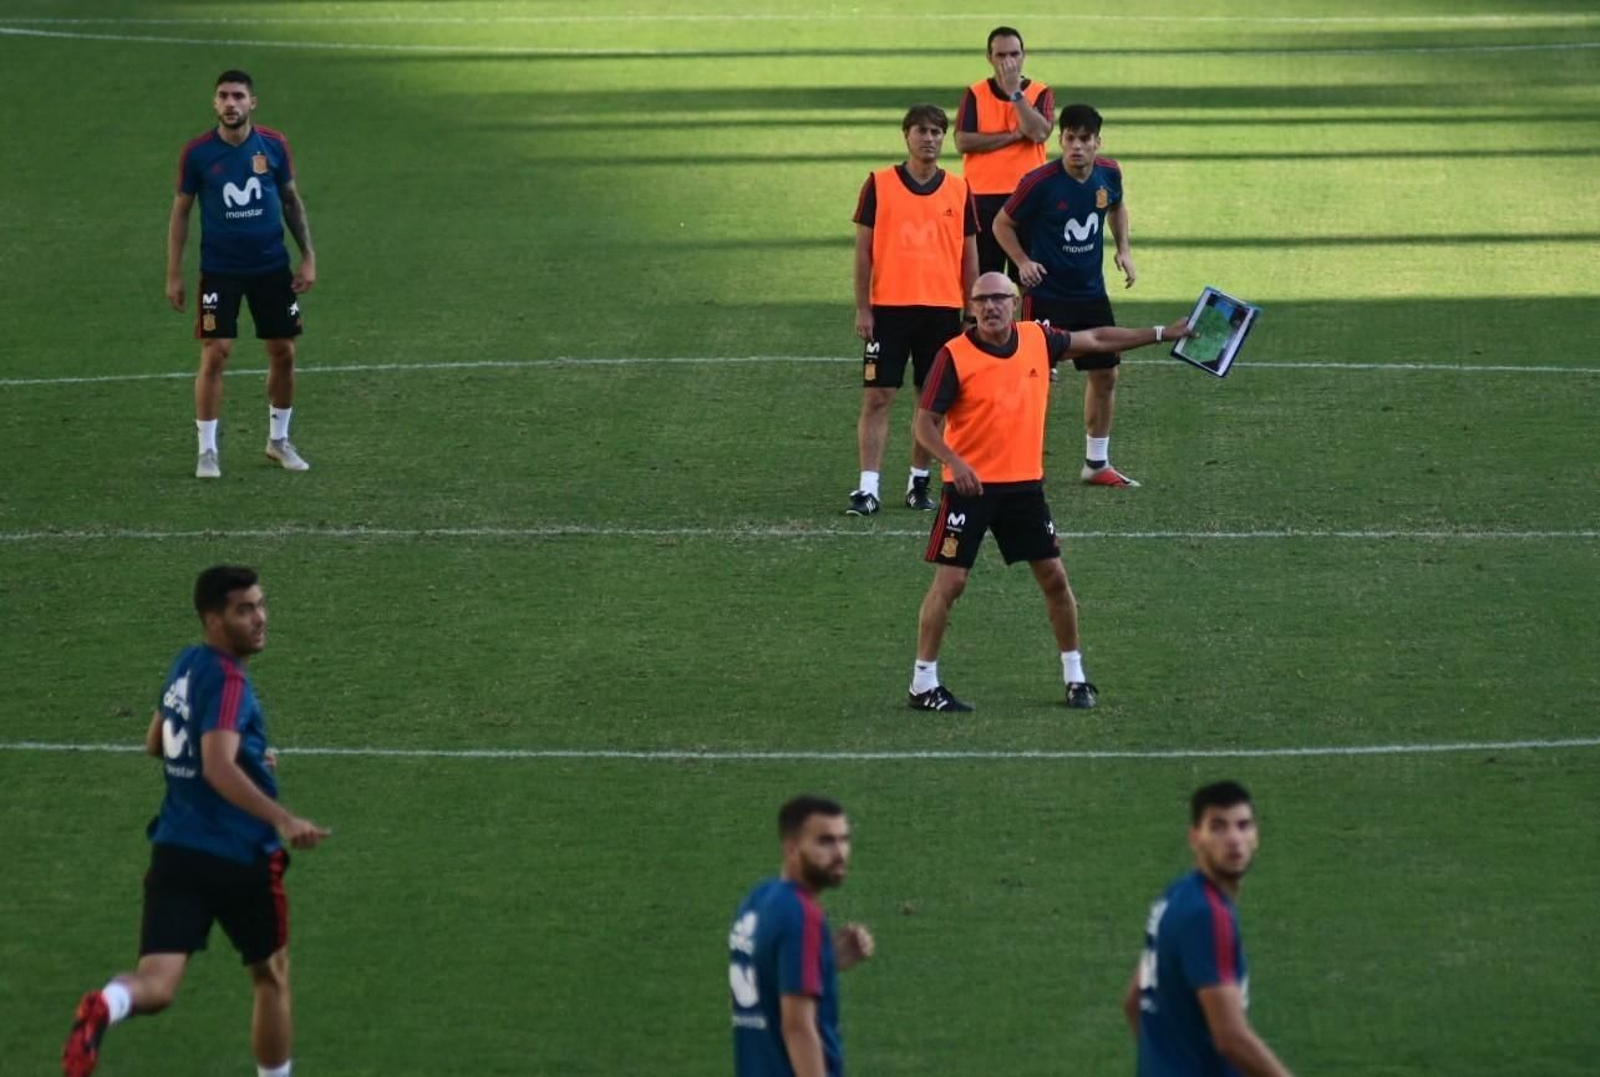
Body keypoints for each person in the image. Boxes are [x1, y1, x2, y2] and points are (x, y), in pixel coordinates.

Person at [61, 565, 331, 1077]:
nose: (260, 618)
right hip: (240, 857)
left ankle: (108, 1004)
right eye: (244, 610)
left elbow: (153, 743)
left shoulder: (185, 665)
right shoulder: (229, 680)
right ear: (213, 619)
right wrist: (284, 818)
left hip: (175, 852)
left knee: (156, 985)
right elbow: (216, 765)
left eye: (261, 604)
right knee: (271, 976)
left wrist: (249, 756)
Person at [907, 273, 1193, 712]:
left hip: (1023, 486)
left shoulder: (1038, 339)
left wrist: (1162, 334)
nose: (990, 307)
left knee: (1055, 578)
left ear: (1015, 301)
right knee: (952, 581)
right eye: (981, 300)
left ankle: (1075, 676)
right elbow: (923, 424)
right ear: (970, 307)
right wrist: (955, 462)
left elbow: (1097, 338)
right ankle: (923, 684)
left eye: (999, 298)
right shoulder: (954, 356)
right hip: (970, 488)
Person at [168, 70, 317, 480]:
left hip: (271, 267)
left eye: (238, 96)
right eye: (223, 96)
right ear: (214, 104)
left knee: (284, 352)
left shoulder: (273, 144)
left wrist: (308, 257)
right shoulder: (198, 153)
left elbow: (290, 200)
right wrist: (174, 274)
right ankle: (207, 451)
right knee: (216, 351)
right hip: (220, 270)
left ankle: (278, 441)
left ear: (253, 102)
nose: (230, 103)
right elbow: (180, 211)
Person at [993, 103, 1144, 488]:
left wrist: (1123, 248)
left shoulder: (1109, 173)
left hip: (1090, 293)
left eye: (1084, 139)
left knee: (1106, 374)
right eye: (1070, 139)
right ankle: (1016, 463)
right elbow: (1002, 223)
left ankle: (1096, 464)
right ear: (1060, 140)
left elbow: (1117, 205)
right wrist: (1022, 262)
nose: (1076, 146)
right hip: (1046, 295)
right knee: (1034, 380)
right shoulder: (1039, 181)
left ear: (1097, 143)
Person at [849, 104, 980, 515]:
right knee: (877, 396)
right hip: (888, 309)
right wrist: (863, 308)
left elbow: (969, 257)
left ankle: (918, 483)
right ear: (906, 135)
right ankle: (868, 487)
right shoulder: (879, 184)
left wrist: (970, 310)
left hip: (941, 311)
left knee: (932, 401)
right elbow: (863, 253)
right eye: (922, 131)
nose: (930, 139)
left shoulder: (959, 189)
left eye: (937, 132)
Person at [1123, 781, 1300, 1077]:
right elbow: (1231, 1038)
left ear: (1256, 835)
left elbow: (1133, 1001)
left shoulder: (1175, 894)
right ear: (1195, 837)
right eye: (1218, 827)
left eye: (1243, 825)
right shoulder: (1208, 915)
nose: (1234, 839)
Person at [729, 795, 875, 1077]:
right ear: (792, 849)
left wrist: (824, 961)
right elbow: (797, 1028)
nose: (840, 853)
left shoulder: (756, 901)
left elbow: (758, 991)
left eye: (844, 839)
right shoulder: (801, 914)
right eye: (825, 842)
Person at [954, 26, 1054, 279]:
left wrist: (1015, 94)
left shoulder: (1040, 92)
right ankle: (981, 320)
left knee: (1029, 275)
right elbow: (963, 141)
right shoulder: (975, 93)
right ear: (989, 58)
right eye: (1001, 55)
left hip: (1029, 195)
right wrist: (1012, 136)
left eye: (1014, 54)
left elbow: (1039, 133)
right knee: (986, 276)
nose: (1008, 61)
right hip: (982, 198)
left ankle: (1025, 321)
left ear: (1023, 55)